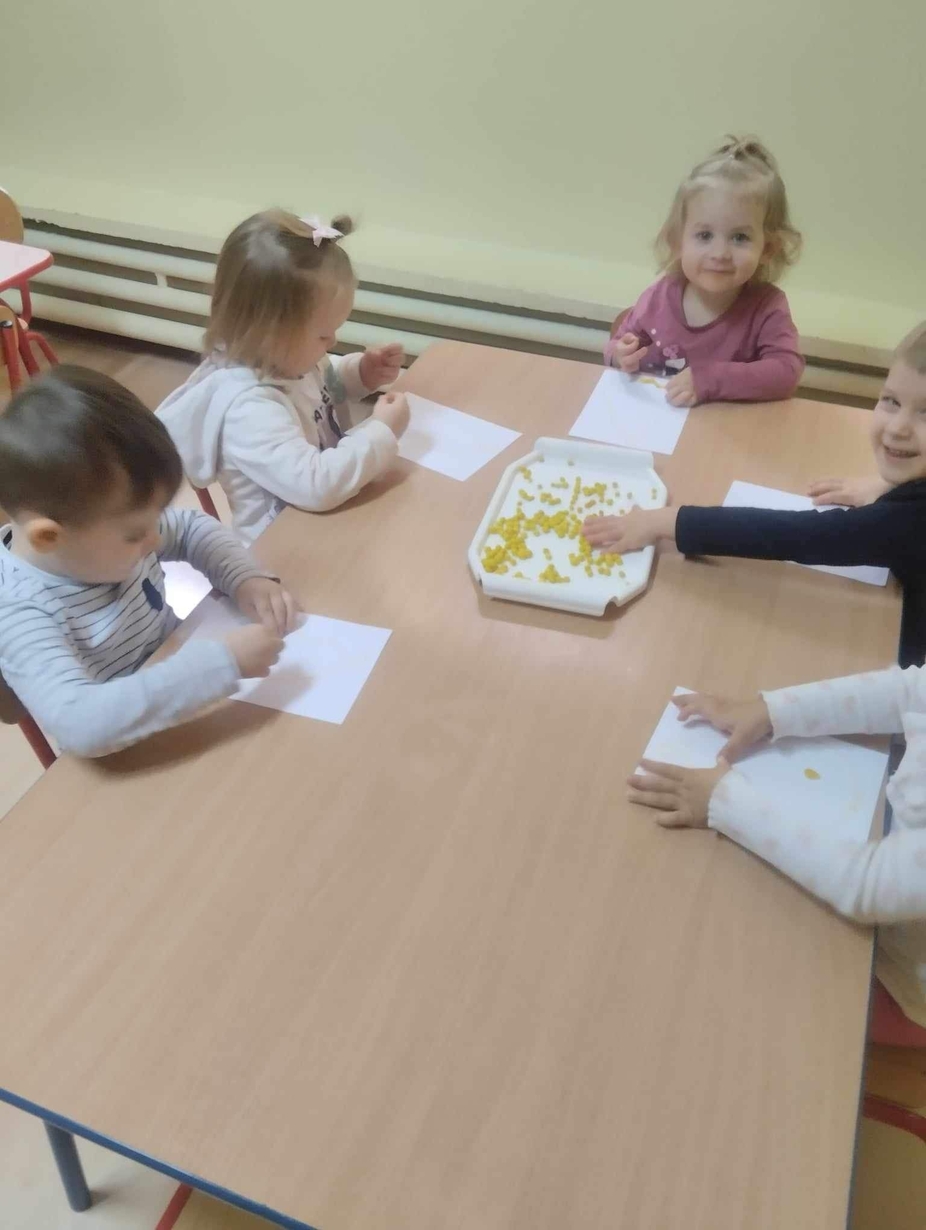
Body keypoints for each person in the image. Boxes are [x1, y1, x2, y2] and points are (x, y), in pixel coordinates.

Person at [584, 321, 926, 666]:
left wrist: (664, 521)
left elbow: (793, 536)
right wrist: (890, 487)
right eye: (891, 401)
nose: (897, 427)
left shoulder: (909, 521)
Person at [0, 366, 296, 757]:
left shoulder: (97, 537)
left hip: (180, 694)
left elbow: (190, 528)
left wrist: (244, 579)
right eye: (136, 534)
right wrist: (219, 666)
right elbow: (80, 725)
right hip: (131, 745)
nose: (154, 539)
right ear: (49, 538)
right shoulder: (21, 611)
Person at [628, 672, 926, 1041]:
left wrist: (723, 802)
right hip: (892, 847)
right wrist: (773, 711)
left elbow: (867, 887)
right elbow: (910, 691)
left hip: (901, 978)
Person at [157, 210, 409, 542]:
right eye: (323, 335)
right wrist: (381, 432)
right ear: (269, 334)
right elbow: (316, 484)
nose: (332, 342)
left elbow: (326, 382)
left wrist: (361, 372)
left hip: (326, 517)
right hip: (281, 550)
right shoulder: (249, 410)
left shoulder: (287, 359)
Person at [605, 136, 804, 407]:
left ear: (767, 248)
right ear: (678, 241)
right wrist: (620, 356)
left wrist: (708, 379)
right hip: (656, 421)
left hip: (725, 428)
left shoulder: (767, 308)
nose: (720, 253)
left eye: (740, 238)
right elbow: (617, 345)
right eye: (705, 235)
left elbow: (785, 373)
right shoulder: (660, 296)